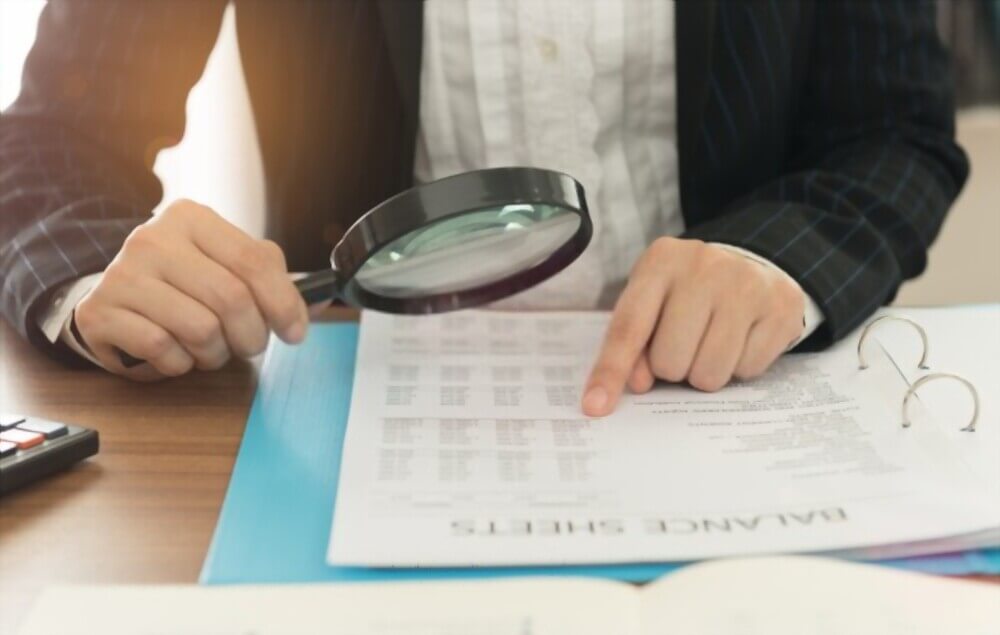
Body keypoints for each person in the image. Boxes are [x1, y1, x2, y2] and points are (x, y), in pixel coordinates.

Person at [0, 1, 967, 418]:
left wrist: (778, 261)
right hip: (347, 416)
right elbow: (54, 138)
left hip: (728, 407)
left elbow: (897, 130)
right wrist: (91, 280)